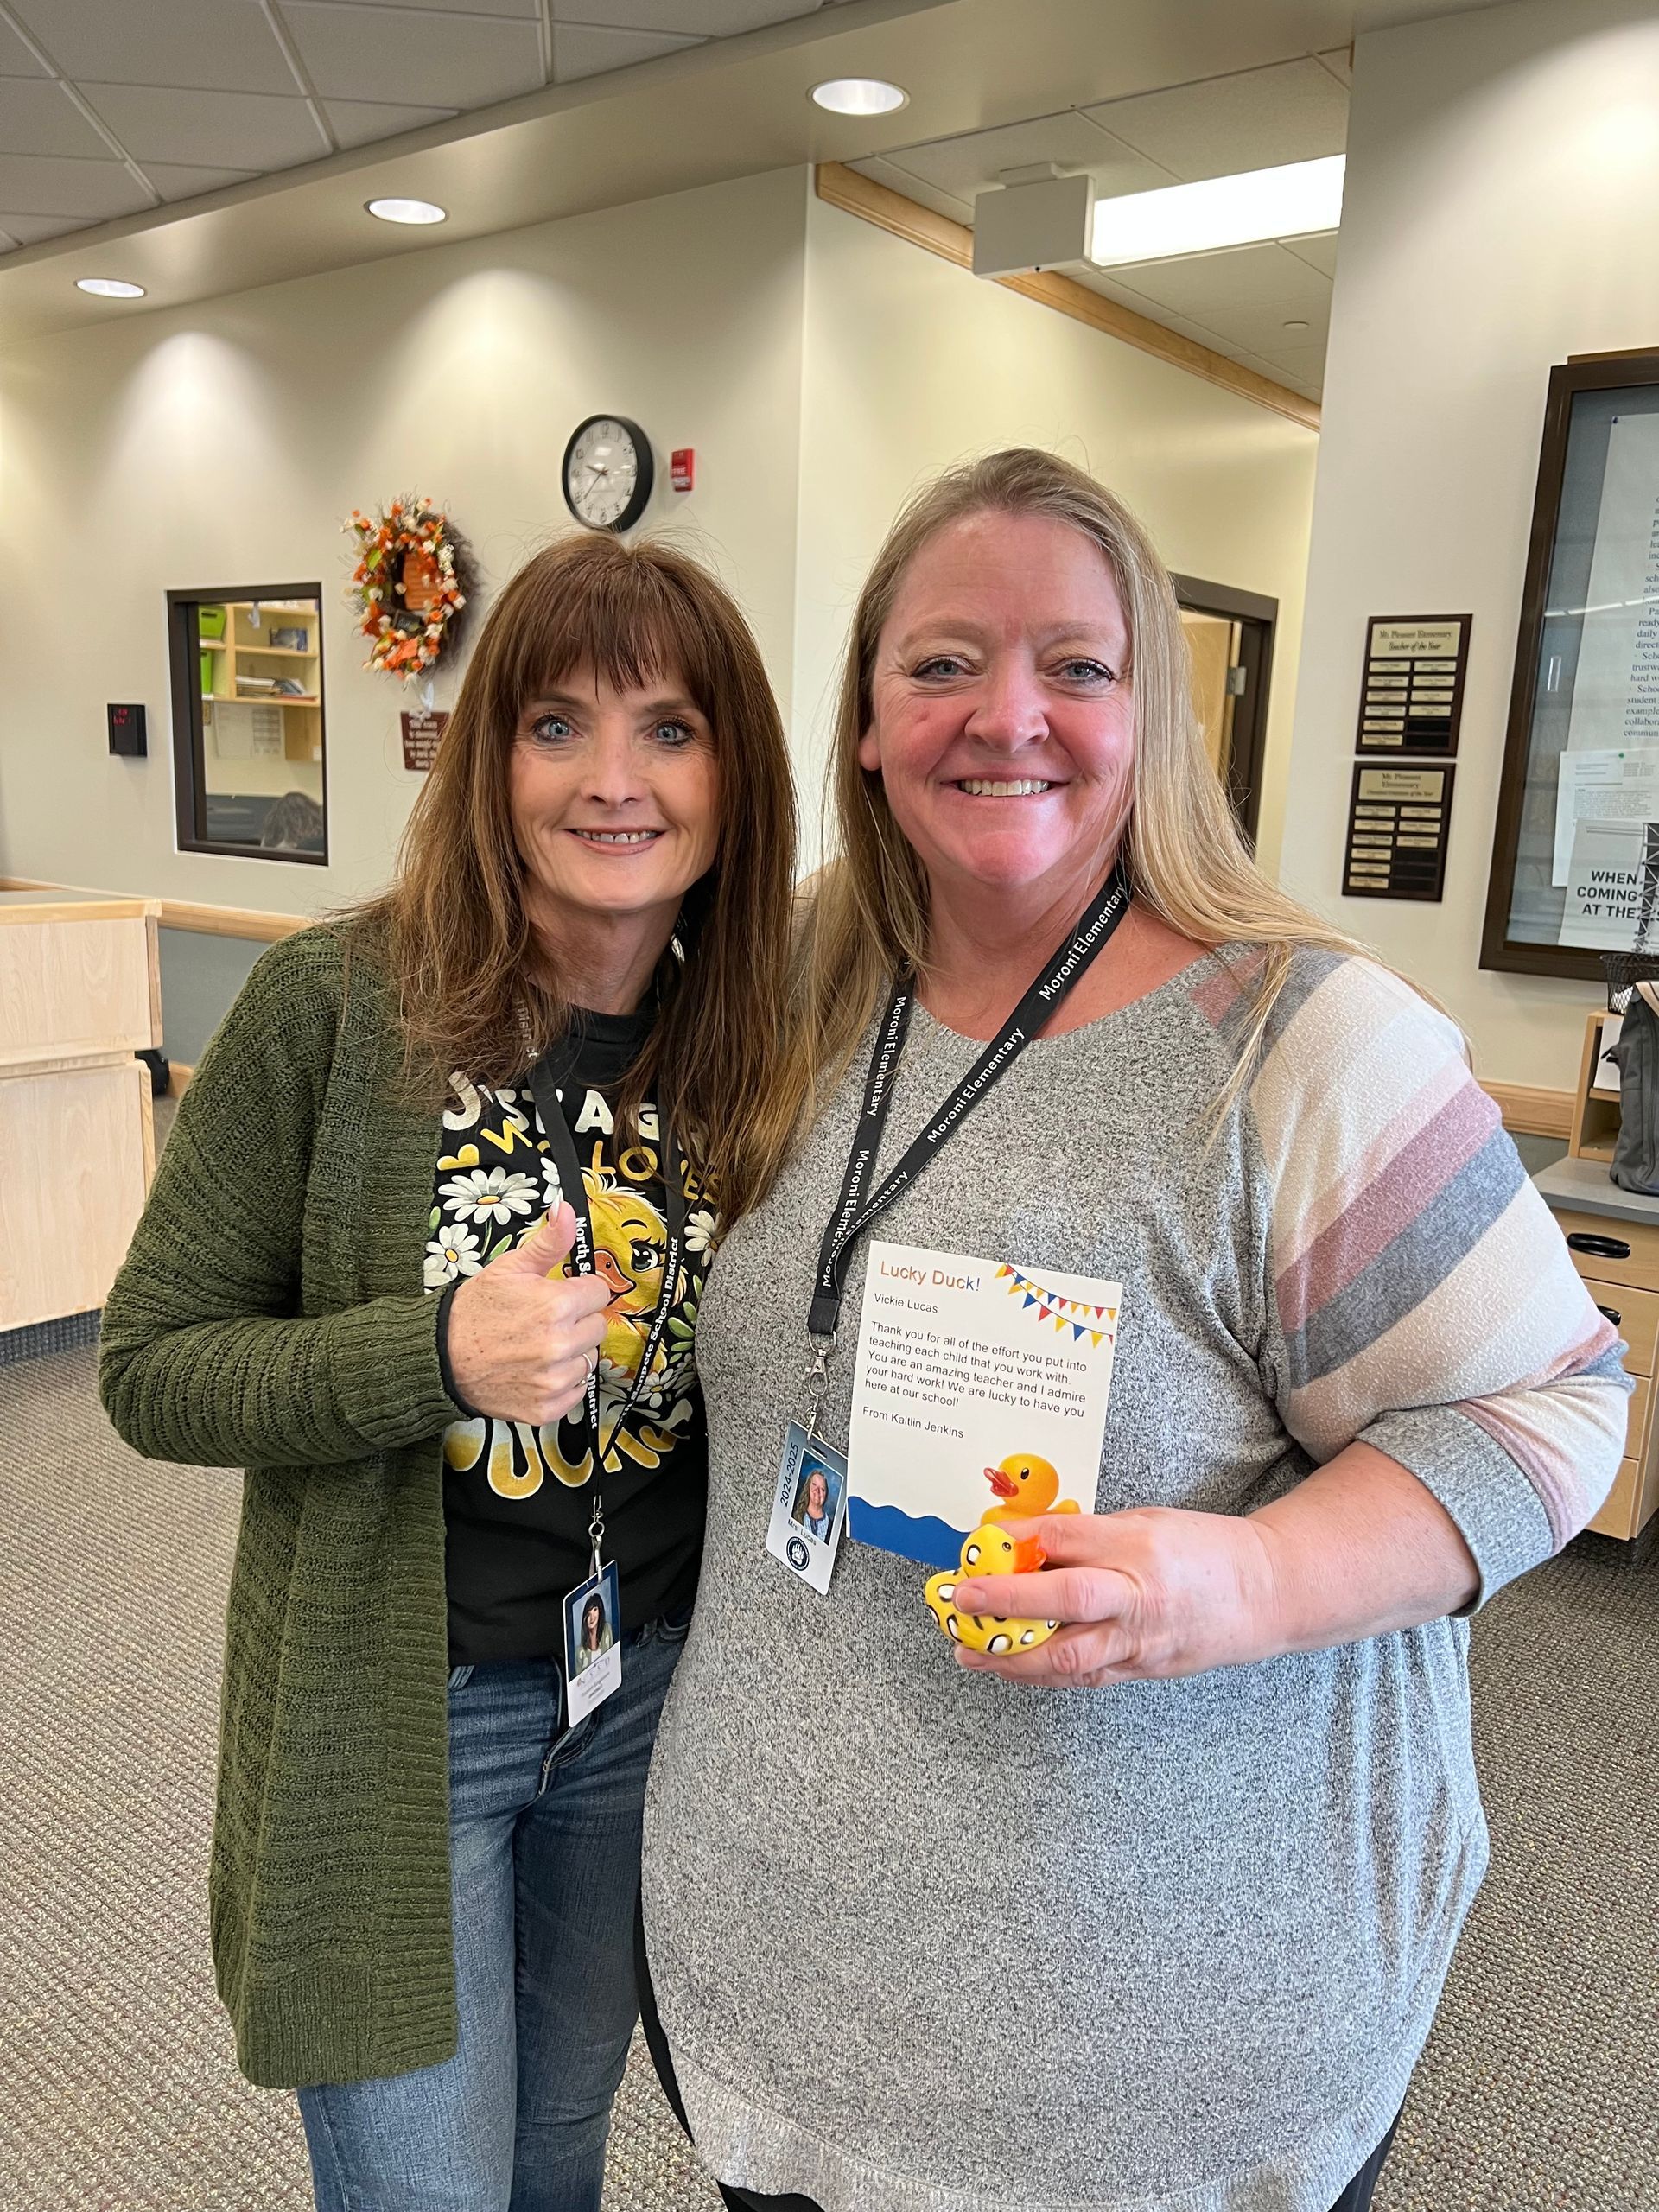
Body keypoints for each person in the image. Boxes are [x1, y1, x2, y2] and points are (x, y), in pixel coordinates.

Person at [638, 448, 1629, 2212]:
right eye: (941, 662)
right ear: (865, 718)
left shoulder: (1306, 1045)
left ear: (1152, 720)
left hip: (1151, 2078)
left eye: (1076, 666)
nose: (1004, 713)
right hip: (773, 1984)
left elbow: (1560, 1406)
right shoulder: (800, 981)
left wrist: (1233, 1583)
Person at [99, 528, 799, 2212]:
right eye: (556, 723)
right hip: (402, 1715)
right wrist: (430, 1353)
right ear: (490, 761)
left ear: (734, 777)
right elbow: (151, 1364)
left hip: (639, 1702)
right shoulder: (335, 1004)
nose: (612, 779)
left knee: (559, 2154)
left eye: (669, 729)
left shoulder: (748, 1044)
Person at [574, 1592, 614, 1672]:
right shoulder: (579, 1652)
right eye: (588, 1614)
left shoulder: (607, 1630)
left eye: (595, 1610)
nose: (592, 1617)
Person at [792, 1465, 834, 1541]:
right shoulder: (796, 1516)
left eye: (822, 1489)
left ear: (826, 1495)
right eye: (814, 1485)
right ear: (808, 1487)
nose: (817, 1491)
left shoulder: (832, 1527)